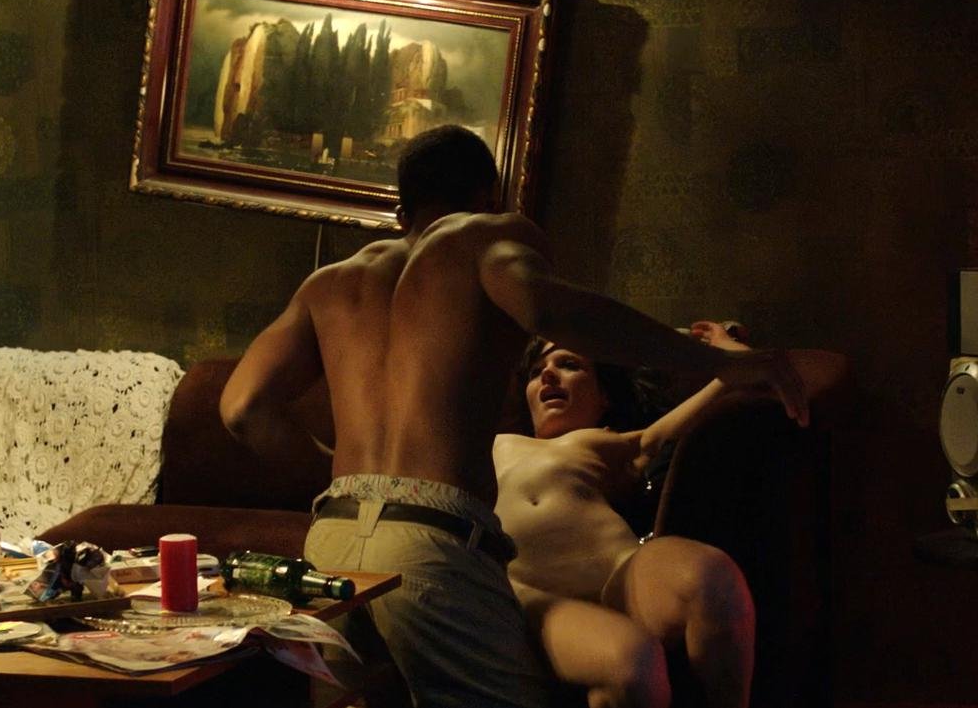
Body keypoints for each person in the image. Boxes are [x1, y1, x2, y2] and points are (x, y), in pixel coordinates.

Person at [218, 124, 807, 708]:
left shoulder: (328, 284)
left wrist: (344, 476)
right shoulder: (485, 236)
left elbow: (242, 408)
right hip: (430, 538)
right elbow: (545, 310)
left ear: (402, 211)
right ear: (486, 197)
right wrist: (718, 361)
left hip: (332, 535)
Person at [496, 322, 831, 708]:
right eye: (536, 371)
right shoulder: (497, 443)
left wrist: (726, 351)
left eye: (569, 364)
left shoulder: (604, 441)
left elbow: (708, 400)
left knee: (713, 581)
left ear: (604, 396)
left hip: (620, 573)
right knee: (633, 667)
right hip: (533, 594)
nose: (549, 374)